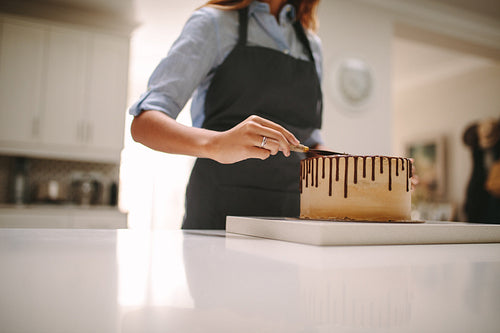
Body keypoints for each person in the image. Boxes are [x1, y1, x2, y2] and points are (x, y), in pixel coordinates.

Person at [129, 0, 324, 229]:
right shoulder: (213, 23)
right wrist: (215, 144)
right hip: (220, 209)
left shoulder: (312, 45)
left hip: (292, 214)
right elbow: (143, 124)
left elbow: (310, 139)